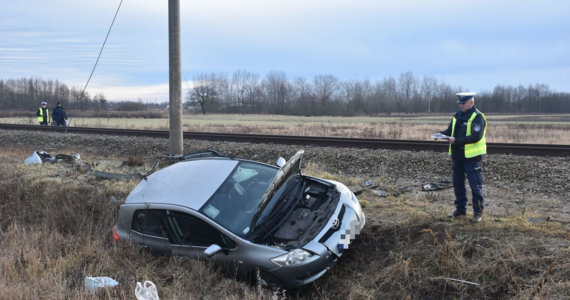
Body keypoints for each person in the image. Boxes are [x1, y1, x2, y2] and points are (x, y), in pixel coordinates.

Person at [439, 92, 487, 223]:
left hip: (472, 158)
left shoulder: (477, 117)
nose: (461, 105)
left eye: (463, 103)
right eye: (460, 103)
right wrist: (440, 134)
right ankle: (460, 210)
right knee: (458, 184)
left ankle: (478, 213)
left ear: (471, 103)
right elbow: (450, 131)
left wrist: (456, 141)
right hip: (458, 157)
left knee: (475, 186)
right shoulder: (457, 115)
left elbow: (475, 137)